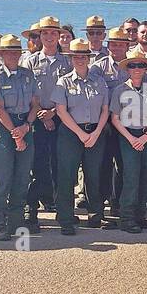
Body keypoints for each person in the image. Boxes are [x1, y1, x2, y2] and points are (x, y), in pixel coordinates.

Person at [51, 39, 110, 234]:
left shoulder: (99, 81)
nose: (80, 59)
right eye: (76, 56)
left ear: (88, 58)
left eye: (83, 56)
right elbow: (61, 111)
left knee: (94, 175)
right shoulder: (64, 81)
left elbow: (105, 109)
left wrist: (95, 133)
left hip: (95, 131)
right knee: (67, 176)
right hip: (70, 133)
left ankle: (95, 215)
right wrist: (81, 134)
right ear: (71, 59)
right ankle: (66, 218)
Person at [0, 35, 40, 241]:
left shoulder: (28, 75)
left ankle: (16, 221)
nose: (12, 55)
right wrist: (16, 134)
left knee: (22, 177)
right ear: (1, 54)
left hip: (25, 125)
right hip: (4, 130)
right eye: (7, 51)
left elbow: (35, 104)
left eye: (15, 51)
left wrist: (26, 126)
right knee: (3, 177)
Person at [21, 16, 70, 231]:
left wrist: (53, 113)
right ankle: (30, 212)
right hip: (36, 120)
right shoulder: (29, 62)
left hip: (61, 119)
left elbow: (71, 92)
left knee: (62, 167)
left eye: (53, 32)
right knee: (36, 166)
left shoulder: (67, 61)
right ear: (40, 36)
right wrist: (41, 113)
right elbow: (26, 90)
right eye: (45, 33)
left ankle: (63, 212)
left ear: (59, 35)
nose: (49, 37)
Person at [110, 48, 147, 233]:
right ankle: (127, 218)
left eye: (141, 65)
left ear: (145, 69)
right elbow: (115, 118)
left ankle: (141, 216)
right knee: (131, 178)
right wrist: (132, 139)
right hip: (128, 137)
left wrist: (146, 136)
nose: (137, 69)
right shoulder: (119, 90)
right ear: (128, 69)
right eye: (133, 66)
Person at [92, 27, 134, 218]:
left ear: (127, 45)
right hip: (104, 123)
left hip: (128, 124)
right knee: (101, 165)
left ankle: (118, 203)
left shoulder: (134, 66)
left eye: (120, 44)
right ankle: (99, 205)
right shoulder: (98, 67)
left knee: (124, 166)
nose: (115, 48)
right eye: (112, 44)